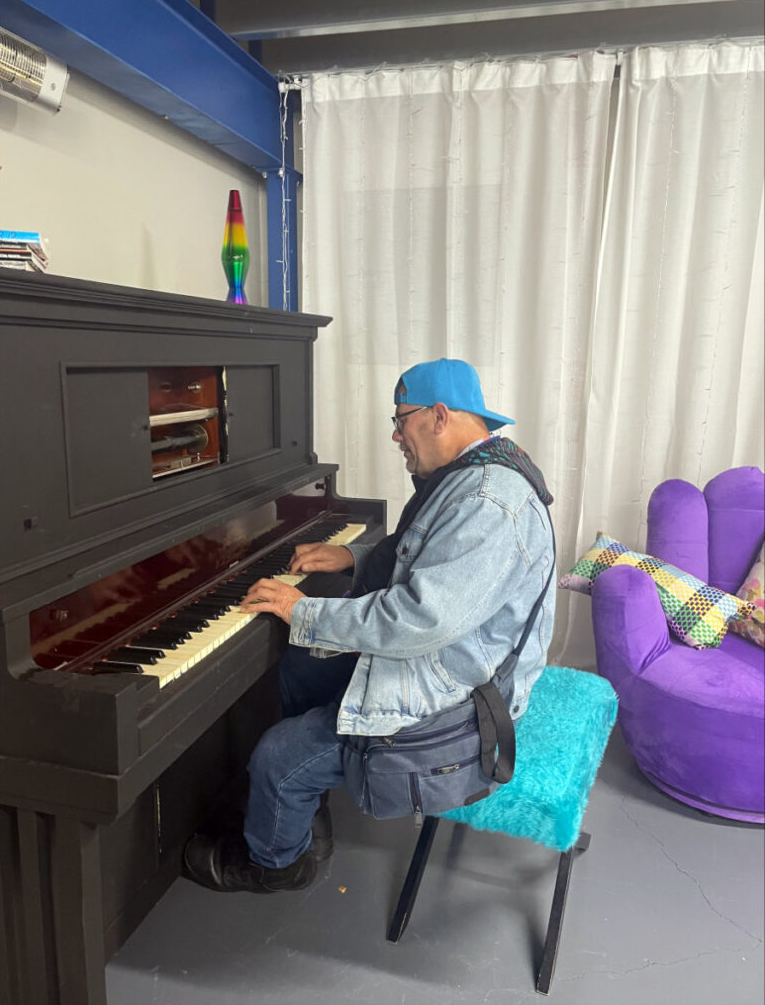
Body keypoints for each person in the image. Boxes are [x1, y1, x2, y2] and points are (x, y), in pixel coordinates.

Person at [184, 358, 555, 893]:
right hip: (448, 660)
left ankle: (275, 864)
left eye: (401, 419)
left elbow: (419, 618)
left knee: (277, 756)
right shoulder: (472, 472)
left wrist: (300, 610)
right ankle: (304, 805)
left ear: (440, 415)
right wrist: (352, 559)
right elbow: (424, 552)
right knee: (299, 670)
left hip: (464, 699)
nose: (396, 434)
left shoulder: (488, 501)